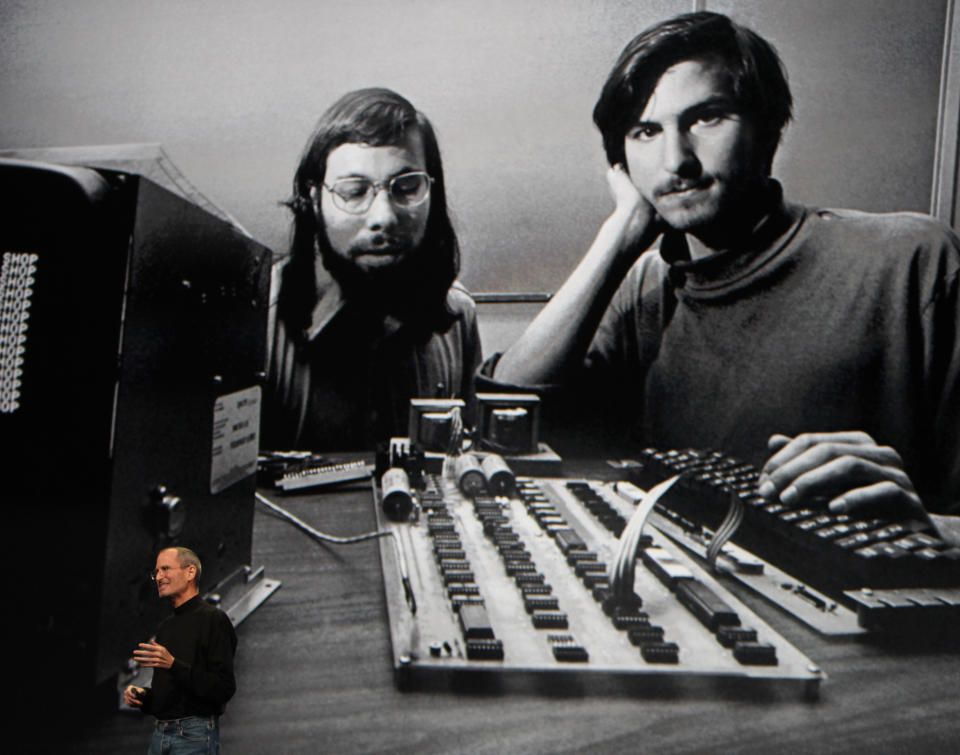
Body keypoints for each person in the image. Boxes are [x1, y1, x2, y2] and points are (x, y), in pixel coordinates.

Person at [486, 11, 959, 518]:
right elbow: (505, 411)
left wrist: (925, 524)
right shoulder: (645, 288)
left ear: (768, 131)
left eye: (706, 117)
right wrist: (620, 235)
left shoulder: (913, 262)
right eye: (645, 131)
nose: (676, 160)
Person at [262, 88, 481, 451]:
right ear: (314, 200)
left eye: (407, 187)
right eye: (353, 191)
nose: (384, 217)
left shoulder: (458, 316)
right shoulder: (254, 321)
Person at [124, 547, 237, 754]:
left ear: (190, 572)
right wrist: (144, 698)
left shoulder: (213, 620)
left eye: (165, 569)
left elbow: (223, 688)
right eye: (156, 572)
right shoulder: (166, 627)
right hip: (161, 734)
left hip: (194, 735)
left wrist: (173, 665)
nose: (159, 577)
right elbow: (170, 696)